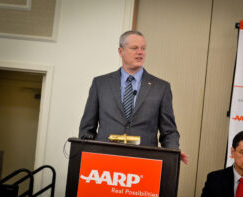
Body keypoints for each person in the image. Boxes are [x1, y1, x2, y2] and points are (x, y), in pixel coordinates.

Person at [79, 30, 189, 164]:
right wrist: (88, 154)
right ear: (121, 51)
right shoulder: (100, 84)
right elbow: (87, 129)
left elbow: (169, 131)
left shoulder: (161, 88)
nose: (140, 52)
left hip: (144, 163)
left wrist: (173, 152)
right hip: (104, 162)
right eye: (134, 48)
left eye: (143, 48)